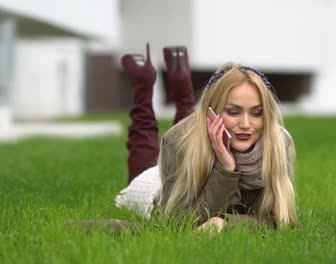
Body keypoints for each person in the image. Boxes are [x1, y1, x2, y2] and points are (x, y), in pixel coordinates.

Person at [115, 44, 297, 233]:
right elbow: (177, 224)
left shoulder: (279, 142)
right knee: (145, 149)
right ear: (212, 111)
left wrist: (226, 224)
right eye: (233, 112)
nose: (245, 124)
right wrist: (226, 170)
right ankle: (143, 90)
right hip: (152, 186)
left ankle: (181, 86)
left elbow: (279, 222)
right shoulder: (176, 142)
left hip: (197, 140)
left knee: (188, 127)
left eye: (257, 113)